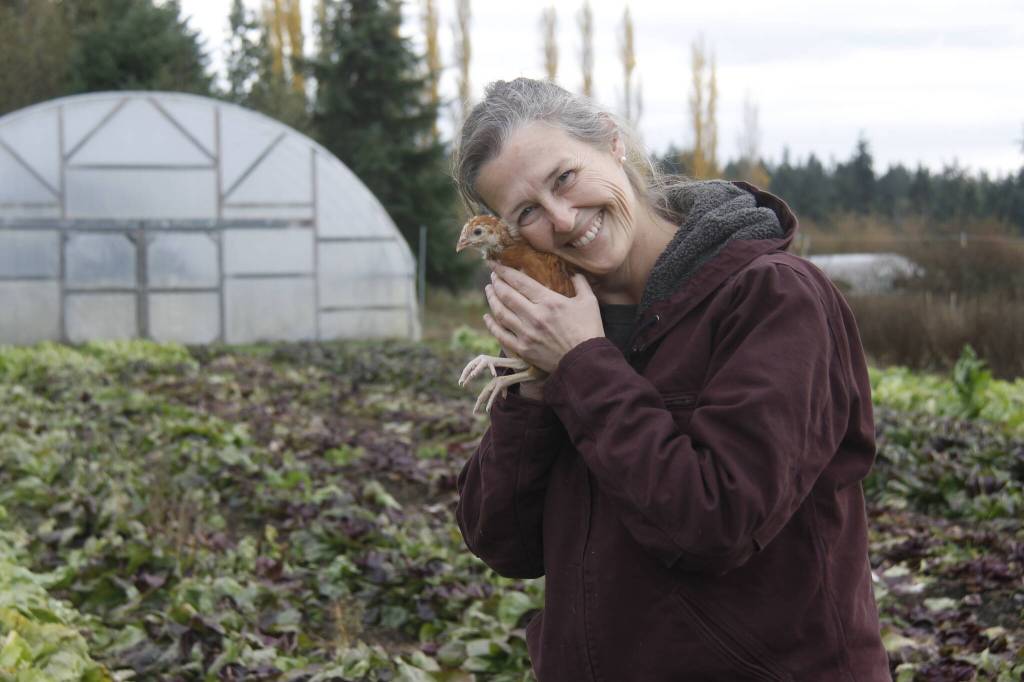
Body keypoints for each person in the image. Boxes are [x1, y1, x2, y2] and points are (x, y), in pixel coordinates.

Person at [452, 77, 890, 681]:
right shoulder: (570, 315)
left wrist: (582, 364)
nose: (561, 218)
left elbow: (717, 521)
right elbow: (501, 540)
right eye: (526, 211)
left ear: (613, 144)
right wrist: (533, 383)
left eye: (565, 178)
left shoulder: (773, 298)